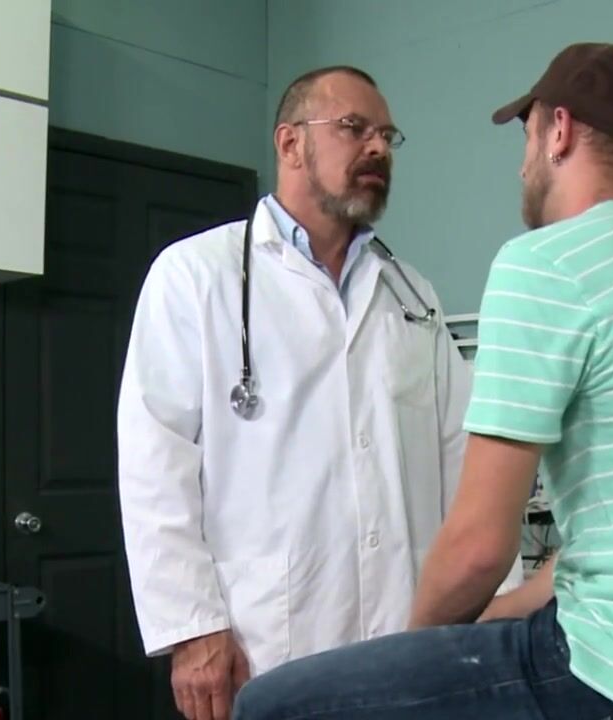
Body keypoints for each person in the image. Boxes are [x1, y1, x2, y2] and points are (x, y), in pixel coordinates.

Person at [232, 43, 613, 720]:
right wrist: (499, 613)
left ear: (558, 130)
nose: (523, 164)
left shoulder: (547, 263)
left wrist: (414, 654)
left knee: (270, 705)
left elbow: (480, 547)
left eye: (528, 136)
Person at [117, 65, 506, 720]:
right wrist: (192, 629)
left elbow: (462, 460)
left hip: (408, 641)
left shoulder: (412, 296)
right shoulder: (194, 276)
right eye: (355, 128)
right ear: (290, 143)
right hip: (266, 642)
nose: (378, 148)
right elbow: (155, 465)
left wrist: (493, 609)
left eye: (387, 135)